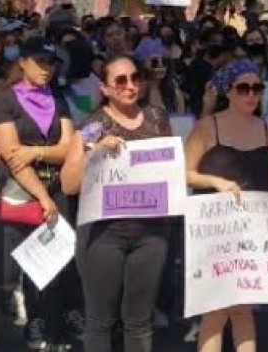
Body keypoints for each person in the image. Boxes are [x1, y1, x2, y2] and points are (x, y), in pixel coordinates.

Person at [60, 53, 172, 352]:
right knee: (100, 321)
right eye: (120, 80)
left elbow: (169, 170)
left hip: (151, 234)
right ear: (105, 89)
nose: (130, 85)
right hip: (103, 236)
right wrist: (93, 153)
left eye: (135, 78)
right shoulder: (92, 126)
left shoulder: (158, 117)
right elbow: (68, 184)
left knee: (139, 321)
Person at [0, 36, 75, 351]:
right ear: (22, 62)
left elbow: (68, 150)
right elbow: (12, 157)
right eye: (40, 62)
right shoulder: (3, 101)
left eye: (51, 64)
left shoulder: (57, 99)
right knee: (3, 279)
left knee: (48, 272)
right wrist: (42, 196)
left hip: (55, 191)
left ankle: (42, 328)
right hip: (15, 195)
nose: (47, 70)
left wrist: (35, 152)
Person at [185, 60, 268, 352]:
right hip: (215, 232)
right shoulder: (206, 127)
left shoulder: (267, 131)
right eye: (243, 88)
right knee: (215, 309)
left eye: (257, 88)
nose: (251, 94)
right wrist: (215, 182)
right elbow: (182, 173)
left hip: (254, 231)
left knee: (243, 308)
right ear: (229, 91)